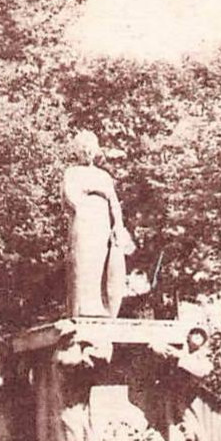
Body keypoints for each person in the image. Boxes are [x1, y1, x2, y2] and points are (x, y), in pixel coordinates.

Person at [62, 131, 134, 317]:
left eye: (90, 149)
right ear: (77, 152)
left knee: (102, 261)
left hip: (102, 222)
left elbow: (114, 202)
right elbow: (71, 196)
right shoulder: (72, 172)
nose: (87, 153)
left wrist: (118, 224)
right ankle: (81, 308)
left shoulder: (104, 176)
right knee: (83, 260)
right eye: (83, 149)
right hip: (84, 220)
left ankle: (101, 307)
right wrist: (86, 200)